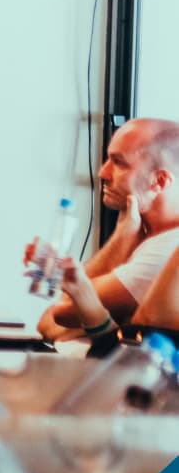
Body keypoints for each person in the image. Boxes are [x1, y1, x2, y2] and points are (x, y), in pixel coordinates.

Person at [39, 118, 179, 341]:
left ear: (159, 182)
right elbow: (47, 323)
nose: (103, 173)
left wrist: (121, 239)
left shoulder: (166, 250)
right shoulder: (145, 234)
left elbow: (62, 311)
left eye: (119, 162)